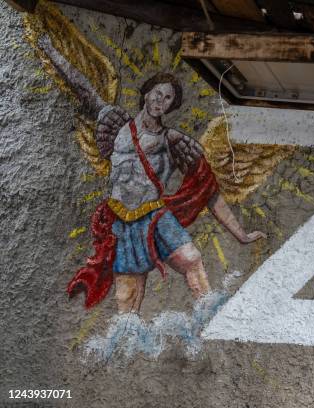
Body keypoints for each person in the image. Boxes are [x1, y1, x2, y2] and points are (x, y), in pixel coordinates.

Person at [38, 35, 265, 313]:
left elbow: (207, 189)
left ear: (171, 106)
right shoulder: (115, 125)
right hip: (122, 221)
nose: (161, 100)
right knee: (127, 302)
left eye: (168, 98)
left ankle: (208, 319)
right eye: (158, 93)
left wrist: (240, 235)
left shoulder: (172, 140)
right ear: (146, 93)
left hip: (155, 216)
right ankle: (124, 349)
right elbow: (83, 89)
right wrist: (51, 49)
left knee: (192, 259)